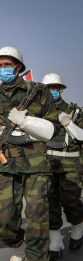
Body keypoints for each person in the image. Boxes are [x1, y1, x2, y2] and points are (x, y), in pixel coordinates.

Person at [0, 46, 59, 261]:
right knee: (3, 219)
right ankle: (18, 245)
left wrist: (26, 122)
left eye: (7, 65)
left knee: (37, 216)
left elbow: (54, 127)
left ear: (18, 67)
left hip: (35, 161)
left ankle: (37, 256)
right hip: (3, 162)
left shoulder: (38, 91)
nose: (2, 69)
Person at [41, 73, 83, 258]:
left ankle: (77, 231)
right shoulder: (39, 111)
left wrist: (69, 123)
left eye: (56, 87)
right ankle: (55, 242)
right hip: (47, 161)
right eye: (49, 87)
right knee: (50, 202)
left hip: (70, 161)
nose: (53, 90)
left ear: (62, 89)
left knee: (72, 201)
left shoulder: (75, 110)